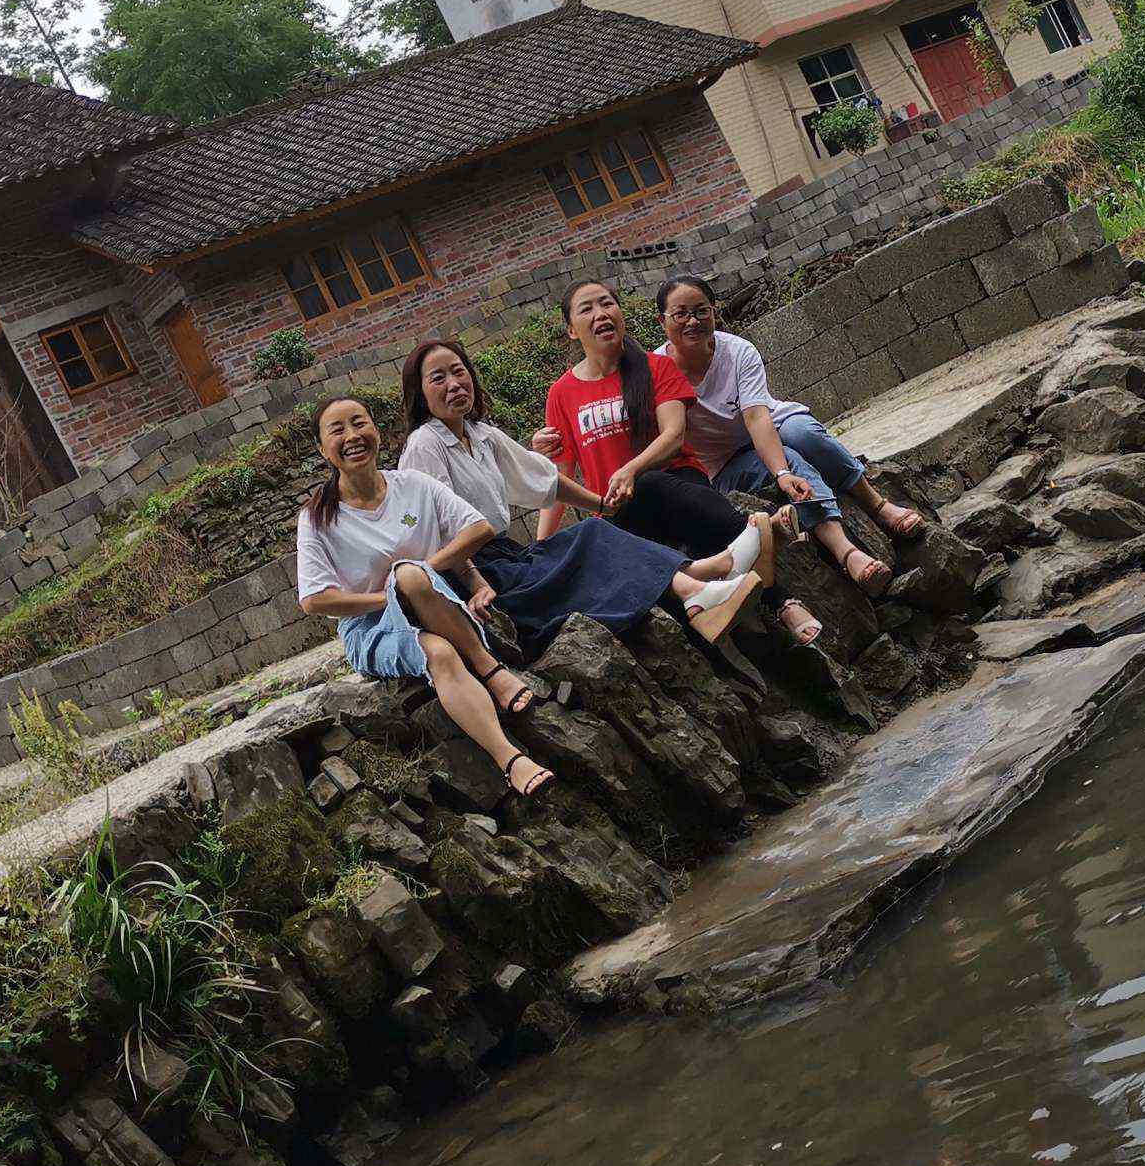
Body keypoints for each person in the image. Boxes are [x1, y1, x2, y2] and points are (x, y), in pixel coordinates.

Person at [395, 337, 768, 655]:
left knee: (594, 531)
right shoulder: (425, 445)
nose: (454, 384)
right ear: (420, 394)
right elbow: (438, 533)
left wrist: (603, 506)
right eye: (438, 378)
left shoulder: (481, 434)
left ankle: (698, 583)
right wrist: (475, 583)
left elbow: (546, 479)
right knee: (590, 542)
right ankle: (701, 580)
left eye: (459, 371)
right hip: (477, 575)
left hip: (506, 557)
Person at [292, 395, 557, 797]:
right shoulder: (317, 517)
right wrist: (392, 597)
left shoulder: (411, 485)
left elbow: (479, 528)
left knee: (412, 577)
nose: (352, 436)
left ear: (376, 430)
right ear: (321, 447)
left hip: (434, 597)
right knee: (440, 652)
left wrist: (423, 575)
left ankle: (487, 668)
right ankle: (511, 760)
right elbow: (315, 600)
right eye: (337, 430)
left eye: (359, 423)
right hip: (371, 628)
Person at [539, 280, 826, 645]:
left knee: (654, 487)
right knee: (625, 537)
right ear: (571, 329)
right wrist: (542, 547)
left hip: (678, 484)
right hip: (619, 511)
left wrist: (630, 469)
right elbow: (559, 478)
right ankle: (762, 539)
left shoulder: (656, 367)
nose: (601, 314)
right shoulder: (561, 393)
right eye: (587, 308)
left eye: (607, 303)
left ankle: (784, 603)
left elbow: (674, 435)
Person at [653, 272, 926, 595]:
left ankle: (877, 504)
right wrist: (784, 470)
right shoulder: (656, 371)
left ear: (714, 311)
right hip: (725, 462)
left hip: (771, 424)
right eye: (680, 314)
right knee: (793, 460)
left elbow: (756, 416)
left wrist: (779, 471)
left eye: (701, 311)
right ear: (662, 321)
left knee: (804, 436)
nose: (692, 321)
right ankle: (846, 551)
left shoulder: (738, 351)